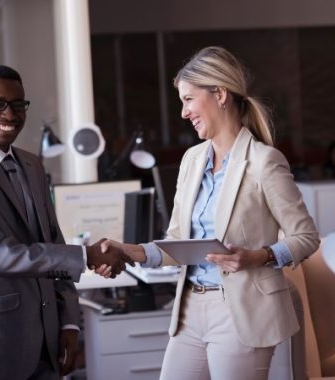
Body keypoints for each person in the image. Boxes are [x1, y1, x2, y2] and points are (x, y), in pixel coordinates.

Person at [98, 46, 320, 379]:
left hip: (241, 312)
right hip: (190, 309)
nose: (184, 113)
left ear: (219, 94)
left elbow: (306, 237)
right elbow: (177, 243)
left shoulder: (264, 161)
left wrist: (258, 256)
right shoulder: (191, 160)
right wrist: (129, 251)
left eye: (188, 99)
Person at [0, 64, 132, 380]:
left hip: (50, 335)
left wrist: (69, 322)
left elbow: (54, 243)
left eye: (18, 105)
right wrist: (87, 256)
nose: (9, 114)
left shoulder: (32, 165)